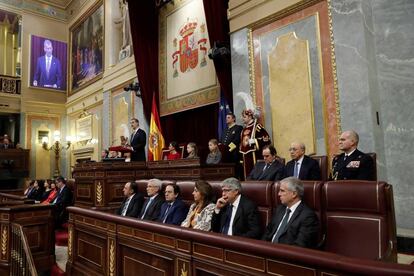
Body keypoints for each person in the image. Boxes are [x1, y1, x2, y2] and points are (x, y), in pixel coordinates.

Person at [262, 177, 319, 248]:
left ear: (294, 194)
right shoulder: (279, 209)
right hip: (268, 251)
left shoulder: (308, 216)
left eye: (282, 191)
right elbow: (267, 232)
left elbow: (301, 245)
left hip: (286, 255)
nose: (278, 194)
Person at [240, 109, 271, 179]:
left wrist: (255, 141)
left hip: (255, 155)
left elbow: (267, 139)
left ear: (250, 117)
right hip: (245, 157)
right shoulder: (243, 130)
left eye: (244, 117)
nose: (242, 119)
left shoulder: (257, 127)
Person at [220, 112, 243, 177]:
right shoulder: (224, 130)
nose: (226, 119)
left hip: (234, 154)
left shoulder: (238, 128)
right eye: (226, 118)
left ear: (233, 119)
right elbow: (221, 141)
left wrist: (228, 149)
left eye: (228, 117)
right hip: (225, 156)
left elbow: (236, 140)